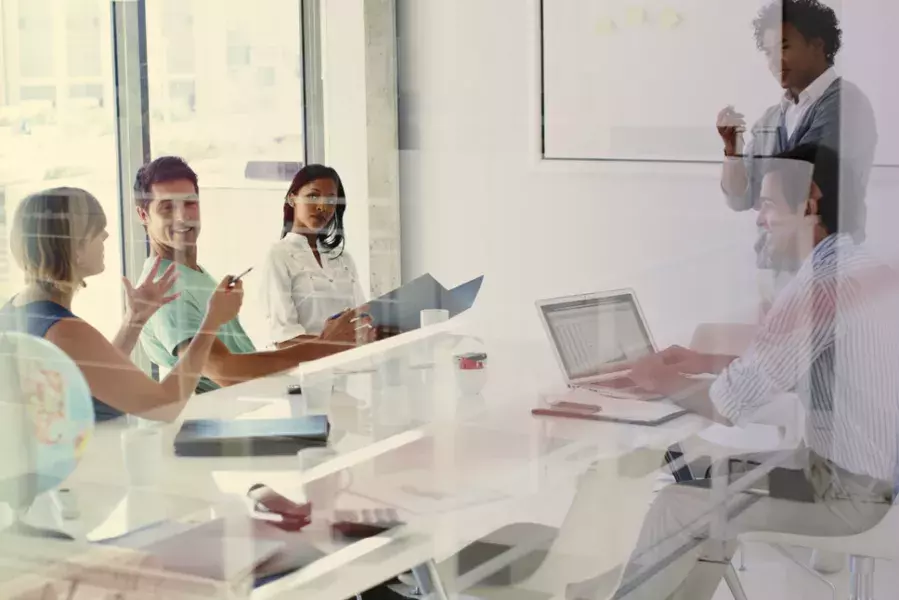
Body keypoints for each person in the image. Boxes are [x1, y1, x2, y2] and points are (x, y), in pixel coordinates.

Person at [578, 144, 899, 599]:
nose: (759, 218)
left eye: (767, 204)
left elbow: (729, 405)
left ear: (809, 203)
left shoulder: (820, 284)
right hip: (857, 478)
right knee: (707, 481)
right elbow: (798, 367)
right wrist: (704, 363)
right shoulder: (856, 265)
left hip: (846, 495)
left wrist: (656, 376)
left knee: (679, 503)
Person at [0, 188, 243, 422]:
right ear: (74, 247)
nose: (106, 236)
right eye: (97, 230)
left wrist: (135, 320)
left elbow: (97, 377)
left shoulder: (15, 311)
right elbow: (164, 406)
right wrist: (212, 320)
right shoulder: (64, 331)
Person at [133, 157, 374, 393]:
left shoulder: (192, 273)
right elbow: (225, 370)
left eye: (189, 203)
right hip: (225, 421)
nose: (182, 217)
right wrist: (325, 346)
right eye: (167, 207)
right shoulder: (163, 288)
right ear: (143, 216)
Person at [717, 0, 877, 312]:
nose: (774, 59)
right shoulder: (771, 118)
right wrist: (732, 149)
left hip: (826, 268)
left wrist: (761, 184)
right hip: (778, 268)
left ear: (817, 45)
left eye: (784, 46)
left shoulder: (846, 105)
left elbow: (796, 187)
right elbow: (741, 198)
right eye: (767, 51)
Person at [259, 164, 366, 348]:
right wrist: (334, 343)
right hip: (306, 371)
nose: (322, 207)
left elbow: (363, 321)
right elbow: (284, 339)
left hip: (350, 368)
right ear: (292, 198)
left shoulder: (343, 259)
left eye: (331, 201)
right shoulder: (279, 255)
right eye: (313, 196)